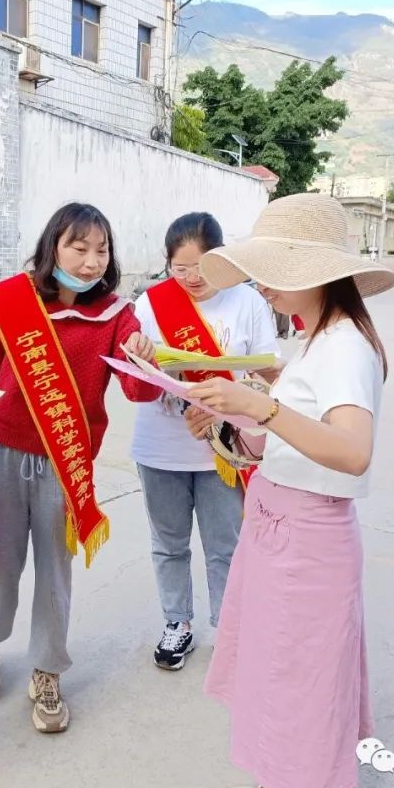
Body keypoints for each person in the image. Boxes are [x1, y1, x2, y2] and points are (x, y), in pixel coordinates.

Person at [183, 192, 394, 788]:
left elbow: (353, 451)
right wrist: (242, 418)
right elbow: (292, 438)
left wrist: (263, 408)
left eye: (272, 273)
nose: (261, 286)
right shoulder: (314, 339)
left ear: (313, 274)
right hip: (284, 525)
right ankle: (284, 785)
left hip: (306, 536)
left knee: (299, 675)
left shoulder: (344, 346)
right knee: (284, 669)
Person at [0, 203, 162, 733]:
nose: (90, 262)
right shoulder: (12, 303)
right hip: (1, 451)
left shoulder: (118, 316)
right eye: (78, 248)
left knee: (55, 573)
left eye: (101, 250)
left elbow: (138, 391)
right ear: (53, 248)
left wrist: (145, 358)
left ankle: (47, 671)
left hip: (66, 462)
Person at [130, 213, 279, 670]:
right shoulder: (150, 306)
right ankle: (178, 623)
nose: (192, 279)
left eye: (201, 267)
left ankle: (228, 630)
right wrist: (144, 364)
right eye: (180, 269)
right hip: (160, 446)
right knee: (168, 543)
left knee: (225, 545)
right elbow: (137, 389)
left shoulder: (249, 302)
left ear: (220, 259)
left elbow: (265, 378)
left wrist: (220, 408)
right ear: (167, 265)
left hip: (223, 449)